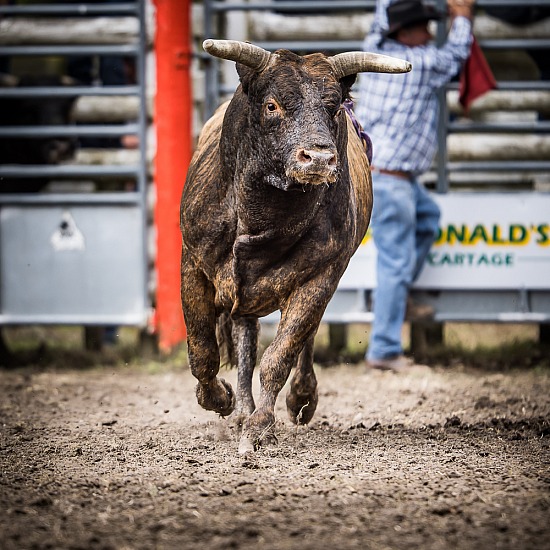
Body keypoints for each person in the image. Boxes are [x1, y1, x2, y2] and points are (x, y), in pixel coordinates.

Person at [355, 0, 475, 371]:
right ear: (407, 34)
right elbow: (456, 54)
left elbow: (381, 17)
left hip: (383, 175)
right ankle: (384, 348)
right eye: (423, 27)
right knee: (394, 263)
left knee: (427, 218)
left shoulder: (374, 49)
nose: (428, 34)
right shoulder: (419, 63)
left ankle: (399, 296)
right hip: (392, 178)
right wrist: (463, 18)